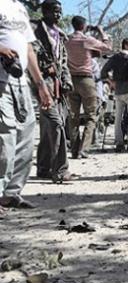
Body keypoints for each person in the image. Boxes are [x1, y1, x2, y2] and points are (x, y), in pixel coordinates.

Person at [0, 0, 53, 216]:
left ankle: (11, 193)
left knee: (26, 135)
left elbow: (28, 47)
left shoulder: (19, 8)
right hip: (1, 81)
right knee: (5, 138)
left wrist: (41, 85)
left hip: (21, 82)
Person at [31, 0, 74, 183]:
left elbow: (62, 61)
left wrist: (66, 80)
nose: (58, 15)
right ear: (45, 12)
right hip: (41, 83)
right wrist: (43, 70)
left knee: (48, 126)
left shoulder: (59, 34)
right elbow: (30, 55)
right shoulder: (35, 31)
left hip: (57, 85)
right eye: (55, 11)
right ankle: (61, 169)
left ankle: (43, 168)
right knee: (57, 124)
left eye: (60, 11)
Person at [65, 15, 112, 159]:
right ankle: (83, 148)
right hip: (86, 79)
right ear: (84, 26)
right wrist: (102, 32)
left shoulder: (66, 39)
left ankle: (74, 149)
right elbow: (107, 48)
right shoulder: (86, 40)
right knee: (92, 116)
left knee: (73, 117)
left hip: (71, 80)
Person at [101, 38, 128, 152]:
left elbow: (103, 72)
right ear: (126, 46)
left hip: (117, 91)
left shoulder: (114, 58)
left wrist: (111, 82)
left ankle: (119, 143)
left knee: (118, 117)